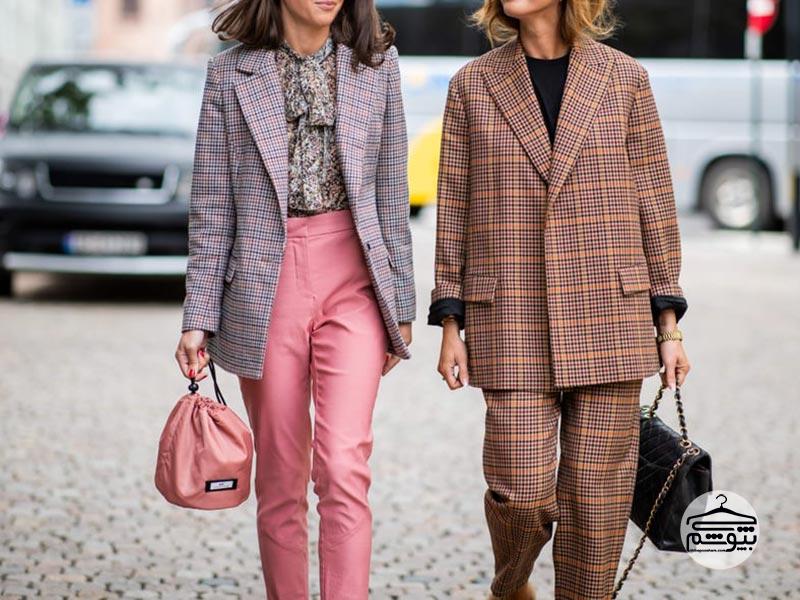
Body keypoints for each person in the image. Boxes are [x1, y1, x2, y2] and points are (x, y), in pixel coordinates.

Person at [428, 1, 690, 598]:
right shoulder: (472, 84)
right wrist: (450, 320)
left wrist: (669, 327)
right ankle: (511, 584)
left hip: (611, 315)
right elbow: (455, 208)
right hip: (509, 315)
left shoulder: (625, 79)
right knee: (519, 491)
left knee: (597, 508)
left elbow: (655, 205)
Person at [174, 0, 415, 597]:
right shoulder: (230, 73)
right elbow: (213, 206)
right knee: (280, 475)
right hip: (265, 284)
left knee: (343, 463)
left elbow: (392, 195)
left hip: (354, 281)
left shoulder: (377, 66)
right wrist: (198, 316)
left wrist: (401, 307)